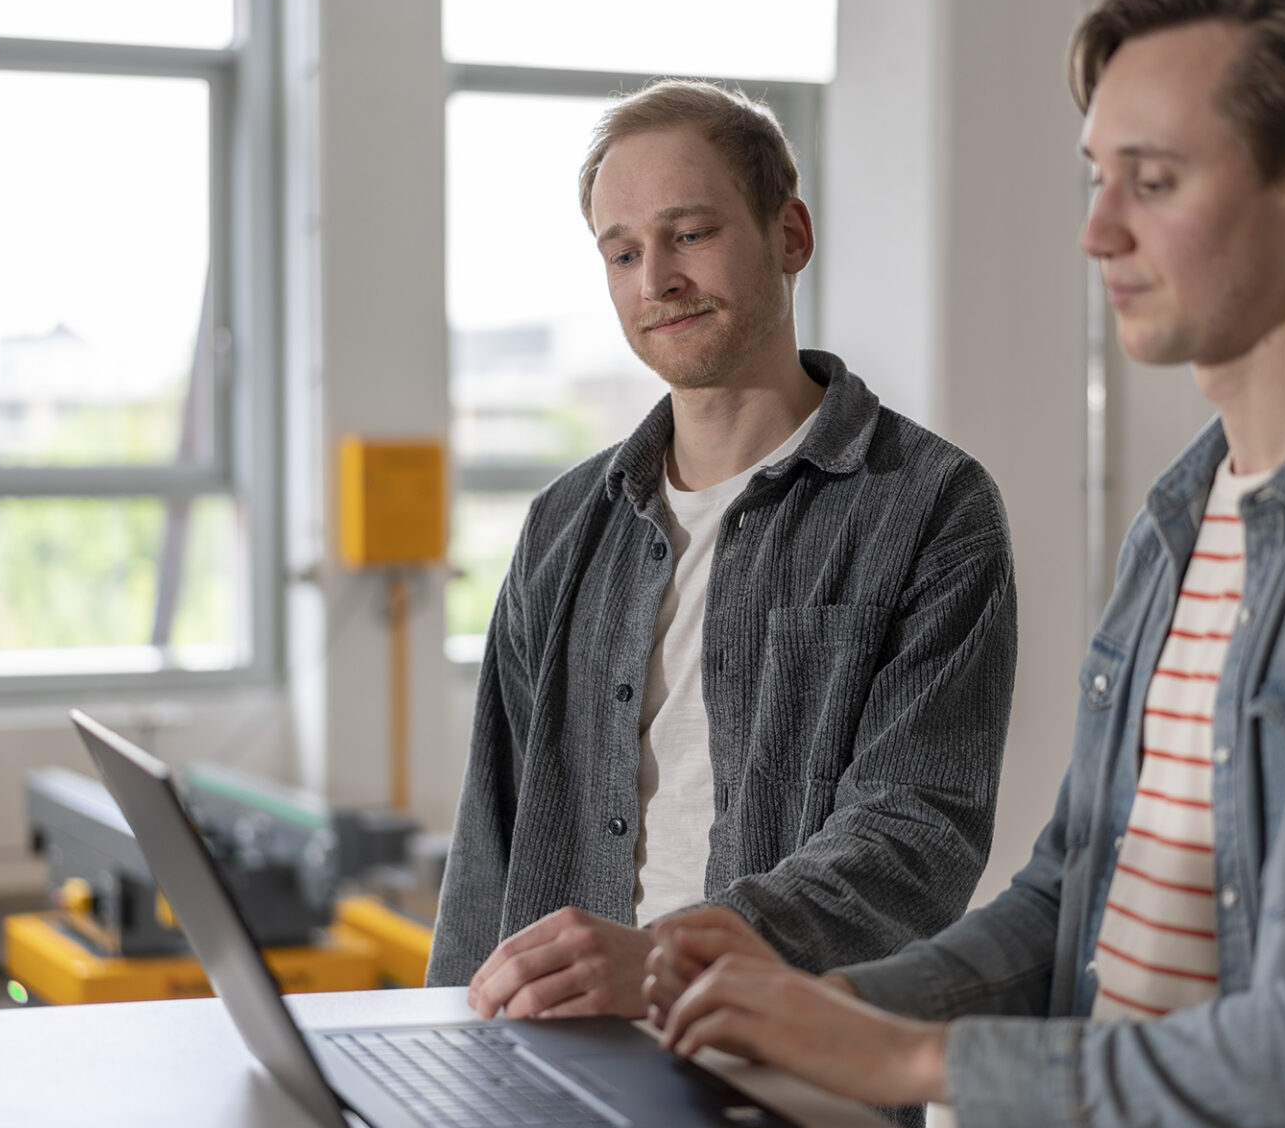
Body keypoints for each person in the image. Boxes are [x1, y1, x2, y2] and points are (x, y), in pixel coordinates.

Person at [647, 0, 1285, 1128]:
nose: (1098, 230)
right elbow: (1071, 901)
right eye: (1098, 178)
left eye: (1151, 182)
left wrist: (912, 1061)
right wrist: (837, 1010)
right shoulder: (1185, 511)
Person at [427, 80, 1019, 1039]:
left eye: (690, 234)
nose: (654, 278)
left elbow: (917, 836)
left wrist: (668, 960)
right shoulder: (565, 524)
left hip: (790, 1066)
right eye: (622, 251)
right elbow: (489, 840)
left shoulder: (930, 507)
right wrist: (445, 1053)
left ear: (790, 236)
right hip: (556, 1054)